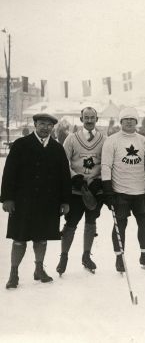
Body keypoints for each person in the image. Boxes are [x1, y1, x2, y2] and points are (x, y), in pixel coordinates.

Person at [1, 113, 71, 289]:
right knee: (19, 238)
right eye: (41, 124)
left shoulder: (57, 149)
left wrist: (65, 201)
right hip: (23, 202)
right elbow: (8, 174)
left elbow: (64, 178)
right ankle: (13, 273)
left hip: (48, 203)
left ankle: (39, 269)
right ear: (35, 124)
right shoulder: (21, 145)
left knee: (41, 238)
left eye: (49, 125)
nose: (45, 128)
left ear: (53, 128)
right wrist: (7, 198)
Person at [101, 107, 145, 272]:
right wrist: (108, 191)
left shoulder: (142, 140)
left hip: (140, 191)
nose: (129, 122)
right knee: (120, 225)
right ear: (120, 122)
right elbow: (106, 167)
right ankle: (119, 257)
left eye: (132, 119)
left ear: (136, 121)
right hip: (120, 191)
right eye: (125, 119)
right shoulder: (112, 140)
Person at [56, 107, 106, 275]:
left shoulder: (104, 139)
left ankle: (86, 255)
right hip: (76, 189)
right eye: (86, 117)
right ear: (81, 119)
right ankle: (63, 257)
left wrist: (99, 181)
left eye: (92, 117)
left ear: (97, 119)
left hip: (94, 190)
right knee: (71, 223)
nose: (89, 120)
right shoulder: (71, 138)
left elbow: (107, 163)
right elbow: (63, 162)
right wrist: (74, 177)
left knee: (91, 223)